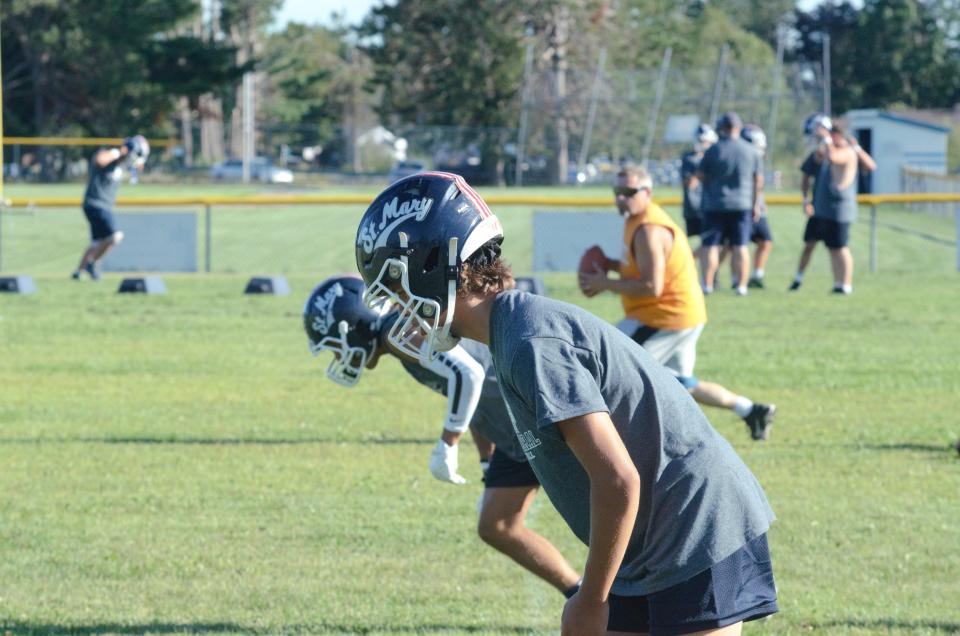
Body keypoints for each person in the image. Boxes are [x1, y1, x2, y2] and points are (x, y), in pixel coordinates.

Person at [356, 172, 778, 636]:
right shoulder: (509, 331)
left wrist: (591, 598)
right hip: (647, 538)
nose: (400, 308)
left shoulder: (529, 341)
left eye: (397, 287)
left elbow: (617, 478)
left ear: (433, 267)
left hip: (692, 531)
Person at [302, 274, 582, 599]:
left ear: (354, 326)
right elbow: (474, 401)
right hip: (515, 432)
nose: (338, 358)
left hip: (538, 422)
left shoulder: (398, 333)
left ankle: (613, 596)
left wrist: (448, 441)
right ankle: (581, 595)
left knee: (594, 516)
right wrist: (487, 463)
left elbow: (469, 374)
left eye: (335, 347)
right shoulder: (398, 336)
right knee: (497, 526)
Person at [578, 165, 777, 441]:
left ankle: (626, 446)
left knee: (606, 371)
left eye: (628, 192)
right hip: (683, 315)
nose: (621, 198)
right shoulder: (635, 219)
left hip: (663, 318)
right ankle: (752, 410)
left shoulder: (649, 229)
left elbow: (651, 286)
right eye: (617, 191)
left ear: (647, 192)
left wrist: (604, 283)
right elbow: (640, 268)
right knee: (682, 384)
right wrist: (611, 265)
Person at [789, 120, 876, 294]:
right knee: (824, 247)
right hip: (821, 209)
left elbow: (836, 157)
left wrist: (829, 140)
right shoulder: (826, 151)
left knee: (840, 247)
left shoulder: (846, 151)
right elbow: (809, 171)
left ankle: (844, 285)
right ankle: (833, 283)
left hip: (838, 208)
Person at [696, 111, 763, 296]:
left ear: (722, 129)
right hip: (742, 205)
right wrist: (756, 204)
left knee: (710, 246)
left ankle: (707, 285)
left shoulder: (714, 150)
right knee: (741, 246)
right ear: (738, 128)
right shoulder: (751, 150)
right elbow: (758, 180)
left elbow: (700, 175)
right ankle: (741, 286)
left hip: (715, 205)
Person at [71, 135, 150, 280]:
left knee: (97, 243)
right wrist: (121, 152)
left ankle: (78, 272)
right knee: (114, 237)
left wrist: (137, 160)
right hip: (96, 203)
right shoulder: (112, 155)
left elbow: (138, 167)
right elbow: (99, 159)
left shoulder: (123, 164)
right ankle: (93, 263)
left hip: (101, 204)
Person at [680, 123, 718, 259]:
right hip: (694, 208)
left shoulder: (714, 158)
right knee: (706, 244)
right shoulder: (690, 159)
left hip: (710, 207)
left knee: (712, 244)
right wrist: (702, 168)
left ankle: (690, 263)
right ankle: (684, 262)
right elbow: (690, 183)